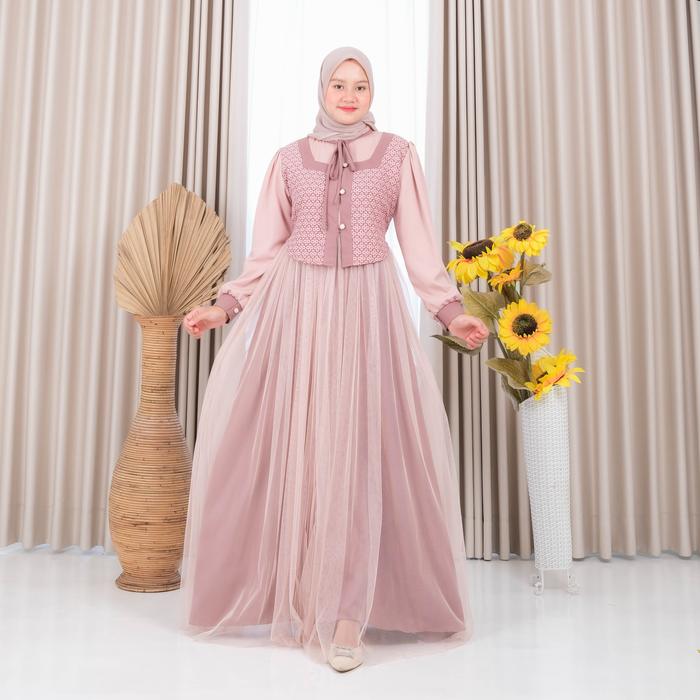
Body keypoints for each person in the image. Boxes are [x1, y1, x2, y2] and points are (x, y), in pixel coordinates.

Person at [178, 46, 488, 673]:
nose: (349, 96)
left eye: (360, 85)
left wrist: (452, 312)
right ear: (322, 90)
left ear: (373, 93)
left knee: (361, 452)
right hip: (300, 317)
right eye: (339, 85)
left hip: (369, 317)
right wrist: (224, 306)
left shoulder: (397, 154)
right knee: (303, 450)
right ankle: (301, 596)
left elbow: (420, 250)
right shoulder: (289, 160)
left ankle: (349, 613)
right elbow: (267, 252)